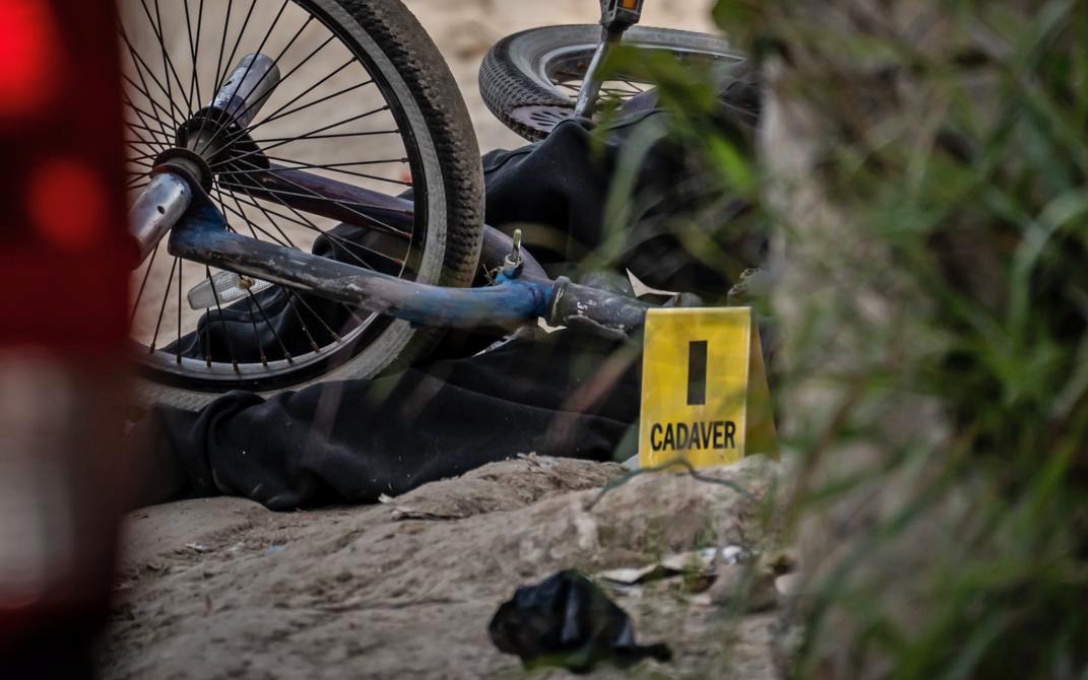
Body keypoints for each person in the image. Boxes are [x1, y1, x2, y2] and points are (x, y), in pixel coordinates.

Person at [133, 68, 765, 511]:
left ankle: (199, 443)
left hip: (828, 343)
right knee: (496, 208)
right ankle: (199, 370)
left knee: (600, 381)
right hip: (815, 146)